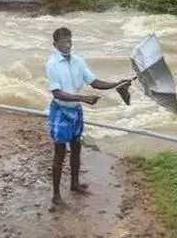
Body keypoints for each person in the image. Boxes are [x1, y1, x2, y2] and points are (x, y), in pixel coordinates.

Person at [45, 26, 131, 207]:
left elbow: (94, 82)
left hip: (75, 110)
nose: (67, 45)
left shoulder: (78, 61)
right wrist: (83, 98)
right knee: (59, 154)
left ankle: (75, 184)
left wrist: (117, 83)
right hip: (60, 111)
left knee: (76, 149)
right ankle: (56, 195)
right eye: (62, 43)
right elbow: (57, 93)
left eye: (69, 41)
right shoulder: (52, 64)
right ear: (55, 45)